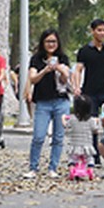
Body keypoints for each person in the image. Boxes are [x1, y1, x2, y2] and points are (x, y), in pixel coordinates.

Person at [25, 29, 71, 179]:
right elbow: (33, 79)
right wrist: (45, 70)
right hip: (43, 102)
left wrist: (59, 68)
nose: (51, 44)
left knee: (58, 137)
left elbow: (66, 80)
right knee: (38, 136)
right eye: (48, 41)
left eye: (53, 42)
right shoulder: (36, 59)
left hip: (61, 101)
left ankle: (53, 168)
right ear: (42, 43)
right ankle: (33, 167)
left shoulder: (63, 58)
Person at [73, 19, 104, 120]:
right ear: (92, 31)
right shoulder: (84, 50)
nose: (102, 33)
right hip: (89, 91)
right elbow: (78, 70)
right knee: (91, 120)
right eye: (99, 30)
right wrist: (77, 87)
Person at [63, 95, 100, 180]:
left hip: (74, 145)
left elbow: (66, 126)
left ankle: (72, 169)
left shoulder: (72, 119)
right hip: (87, 145)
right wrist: (97, 122)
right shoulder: (91, 120)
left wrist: (63, 119)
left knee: (72, 159)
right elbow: (95, 130)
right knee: (89, 159)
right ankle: (90, 169)